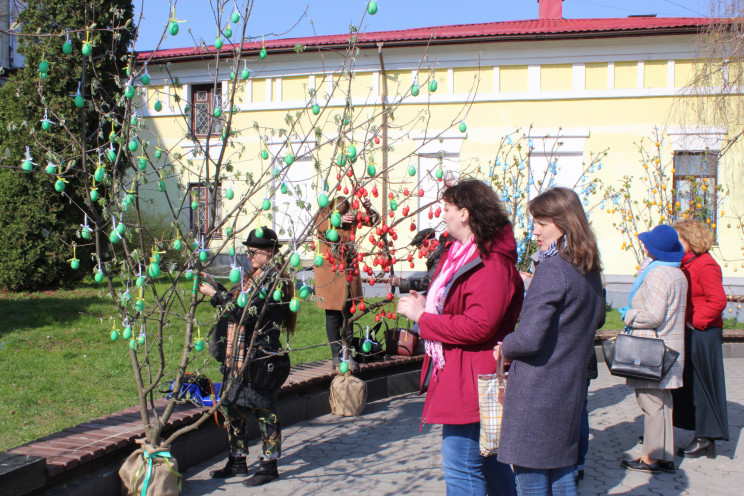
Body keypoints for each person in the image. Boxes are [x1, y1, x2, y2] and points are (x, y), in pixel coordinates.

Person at [397, 179, 523, 496]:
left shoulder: (490, 262)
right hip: (463, 370)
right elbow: (463, 308)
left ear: (465, 213)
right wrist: (431, 306)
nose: (444, 216)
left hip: (473, 377)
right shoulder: (463, 253)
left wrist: (424, 319)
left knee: (461, 466)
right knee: (489, 464)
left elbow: (479, 325)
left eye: (448, 209)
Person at [496, 187, 604, 496]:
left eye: (541, 223)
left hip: (538, 391)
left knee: (531, 482)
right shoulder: (588, 267)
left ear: (563, 222)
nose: (535, 231)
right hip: (568, 389)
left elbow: (529, 339)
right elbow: (594, 320)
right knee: (561, 478)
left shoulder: (553, 267)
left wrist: (505, 345)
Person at [199, 228, 295, 487]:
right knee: (231, 406)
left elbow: (247, 313)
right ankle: (238, 459)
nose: (249, 255)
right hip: (239, 356)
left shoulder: (275, 282)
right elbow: (237, 304)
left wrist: (216, 296)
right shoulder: (254, 277)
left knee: (265, 410)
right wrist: (219, 290)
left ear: (271, 253)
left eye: (255, 251)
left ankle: (269, 464)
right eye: (248, 250)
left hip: (260, 359)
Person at [618, 224, 687, 474]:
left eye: (647, 244)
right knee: (663, 402)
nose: (644, 247)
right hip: (667, 347)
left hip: (651, 349)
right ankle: (665, 454)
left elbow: (653, 315)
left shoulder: (659, 274)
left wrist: (629, 316)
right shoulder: (675, 272)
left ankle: (652, 458)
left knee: (651, 403)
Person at [672, 219, 728, 458]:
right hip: (692, 330)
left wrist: (697, 322)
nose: (676, 244)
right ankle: (698, 432)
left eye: (679, 239)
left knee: (705, 386)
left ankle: (707, 438)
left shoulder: (705, 264)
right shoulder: (688, 262)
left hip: (704, 332)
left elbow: (718, 300)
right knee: (692, 385)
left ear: (690, 240)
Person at [314, 195, 379, 371]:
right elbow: (319, 226)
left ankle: (346, 352)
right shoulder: (323, 215)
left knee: (348, 315)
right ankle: (336, 354)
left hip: (348, 270)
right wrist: (337, 220)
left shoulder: (352, 215)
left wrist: (368, 208)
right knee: (333, 314)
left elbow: (373, 221)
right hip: (331, 271)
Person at [390, 228, 445, 294]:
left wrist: (400, 282)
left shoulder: (441, 255)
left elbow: (429, 281)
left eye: (419, 247)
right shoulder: (437, 254)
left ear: (430, 242)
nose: (419, 251)